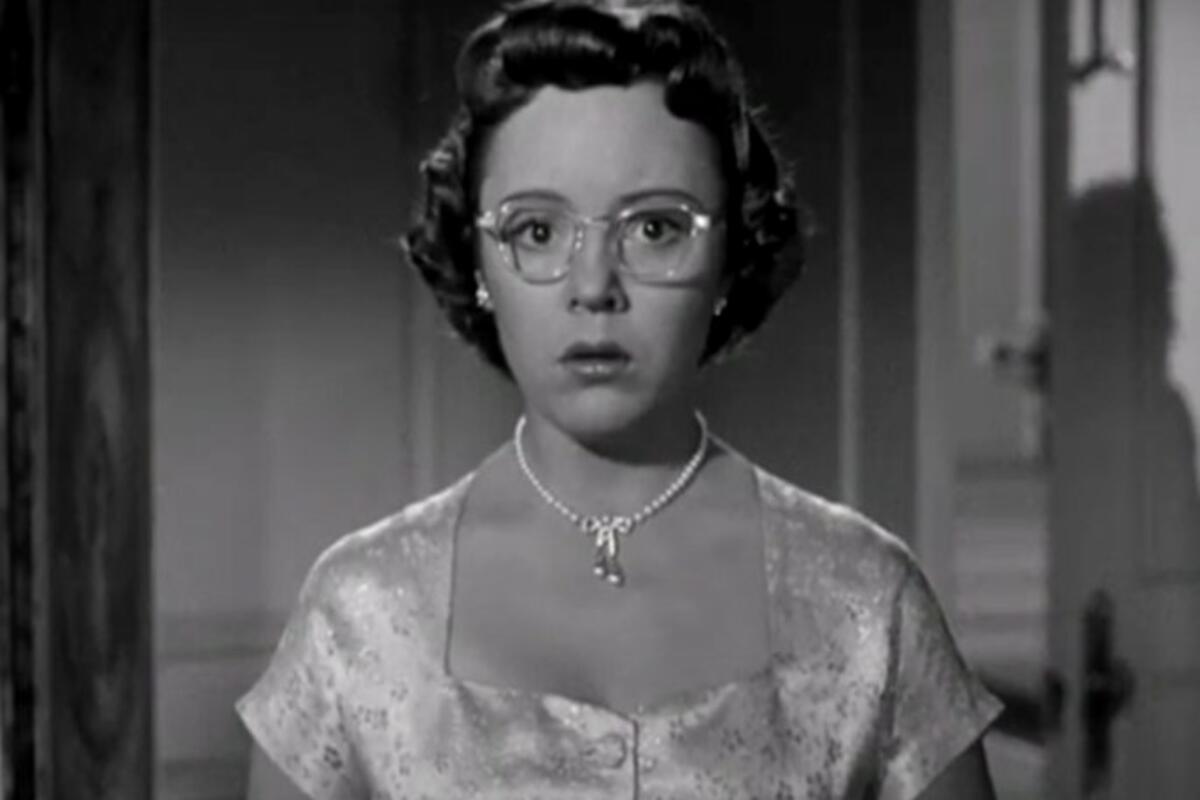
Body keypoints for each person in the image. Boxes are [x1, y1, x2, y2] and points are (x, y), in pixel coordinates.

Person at [238, 1, 1003, 797]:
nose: (594, 286)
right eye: (537, 231)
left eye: (655, 229)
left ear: (731, 258)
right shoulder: (358, 614)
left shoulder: (867, 601)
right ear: (478, 262)